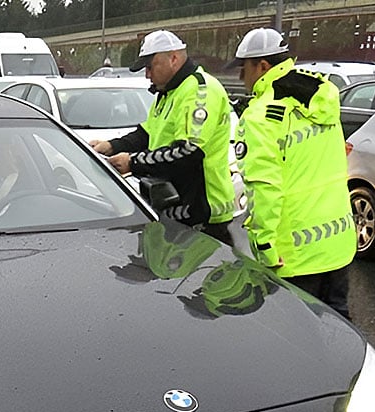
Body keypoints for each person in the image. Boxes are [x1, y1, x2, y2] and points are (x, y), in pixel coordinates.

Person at [227, 27, 356, 319]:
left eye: (243, 68)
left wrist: (266, 248)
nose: (240, 77)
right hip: (337, 244)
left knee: (296, 342)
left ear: (262, 66)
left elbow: (264, 188)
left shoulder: (261, 116)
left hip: (294, 256)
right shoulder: (320, 97)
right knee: (339, 334)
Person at [89, 30, 236, 245]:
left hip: (201, 212)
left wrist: (133, 163)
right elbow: (148, 133)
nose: (147, 74)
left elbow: (188, 152)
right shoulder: (168, 92)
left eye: (150, 66)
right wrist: (111, 146)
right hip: (173, 207)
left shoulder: (199, 91)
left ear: (173, 58)